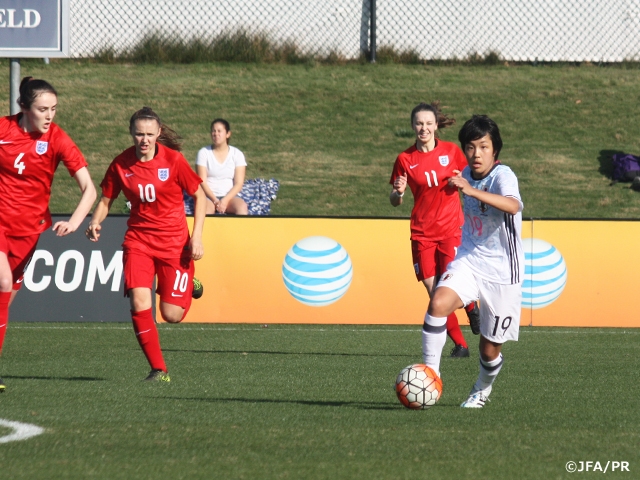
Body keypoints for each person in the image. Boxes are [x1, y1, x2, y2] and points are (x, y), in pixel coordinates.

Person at [86, 107, 206, 382]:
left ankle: (189, 283)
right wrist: (95, 221)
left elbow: (201, 197)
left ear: (159, 133)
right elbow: (106, 200)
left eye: (150, 134)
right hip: (138, 242)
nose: (144, 139)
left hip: (175, 245)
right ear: (131, 133)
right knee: (140, 302)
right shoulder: (121, 164)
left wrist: (196, 236)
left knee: (171, 314)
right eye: (139, 133)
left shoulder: (174, 161)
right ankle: (158, 370)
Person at [0, 77, 97, 392]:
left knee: (4, 300)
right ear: (24, 108)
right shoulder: (3, 129)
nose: (49, 115)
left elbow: (89, 190)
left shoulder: (57, 139)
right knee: (2, 282)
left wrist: (74, 220)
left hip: (28, 232)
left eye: (54, 109)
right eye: (43, 109)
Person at [424, 115, 524, 408]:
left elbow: (513, 205)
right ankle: (431, 377)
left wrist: (470, 189)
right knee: (438, 303)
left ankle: (481, 388)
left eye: (483, 146)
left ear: (495, 151)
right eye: (470, 147)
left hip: (503, 272)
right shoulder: (466, 172)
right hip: (469, 259)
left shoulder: (503, 175)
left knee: (489, 350)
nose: (476, 154)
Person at [389, 102, 480, 359]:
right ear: (413, 126)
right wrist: (397, 192)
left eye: (429, 123)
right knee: (435, 295)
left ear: (436, 125)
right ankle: (461, 345)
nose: (424, 128)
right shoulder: (405, 159)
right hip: (421, 233)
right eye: (419, 123)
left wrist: (462, 182)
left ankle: (471, 306)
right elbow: (395, 200)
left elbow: (474, 176)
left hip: (451, 229)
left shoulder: (452, 151)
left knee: (447, 287)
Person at [196, 118, 248, 215]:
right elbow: (202, 181)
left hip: (229, 197)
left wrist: (224, 200)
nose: (216, 134)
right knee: (205, 211)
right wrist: (215, 200)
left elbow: (239, 183)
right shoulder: (203, 153)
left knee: (242, 208)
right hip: (209, 197)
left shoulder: (237, 154)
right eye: (213, 131)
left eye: (219, 131)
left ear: (228, 134)